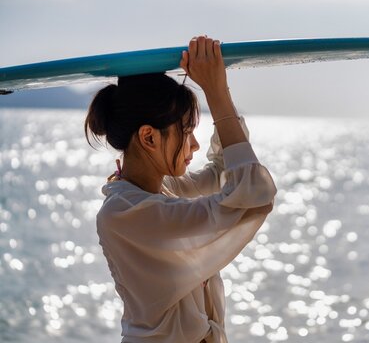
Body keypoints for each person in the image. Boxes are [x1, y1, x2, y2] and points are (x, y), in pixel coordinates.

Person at [84, 35, 277, 343]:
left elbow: (225, 172)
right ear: (149, 138)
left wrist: (218, 87)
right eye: (186, 131)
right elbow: (249, 195)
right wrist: (214, 91)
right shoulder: (126, 213)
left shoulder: (162, 190)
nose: (196, 144)